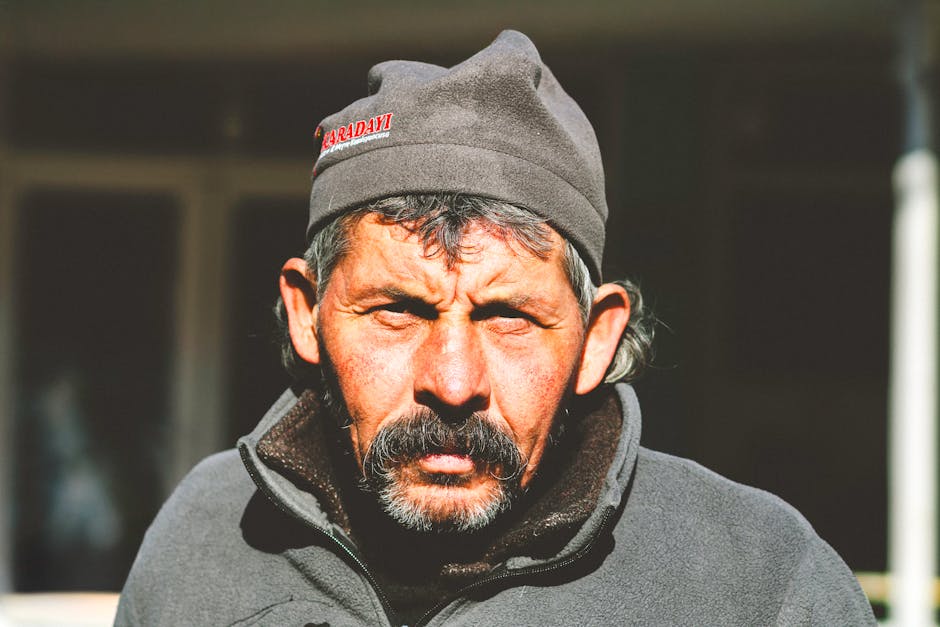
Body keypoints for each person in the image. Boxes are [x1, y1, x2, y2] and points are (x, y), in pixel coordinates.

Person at [116, 30, 875, 625]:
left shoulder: (761, 585)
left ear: (597, 337)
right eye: (397, 311)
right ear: (305, 314)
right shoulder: (204, 537)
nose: (453, 381)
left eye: (509, 316)